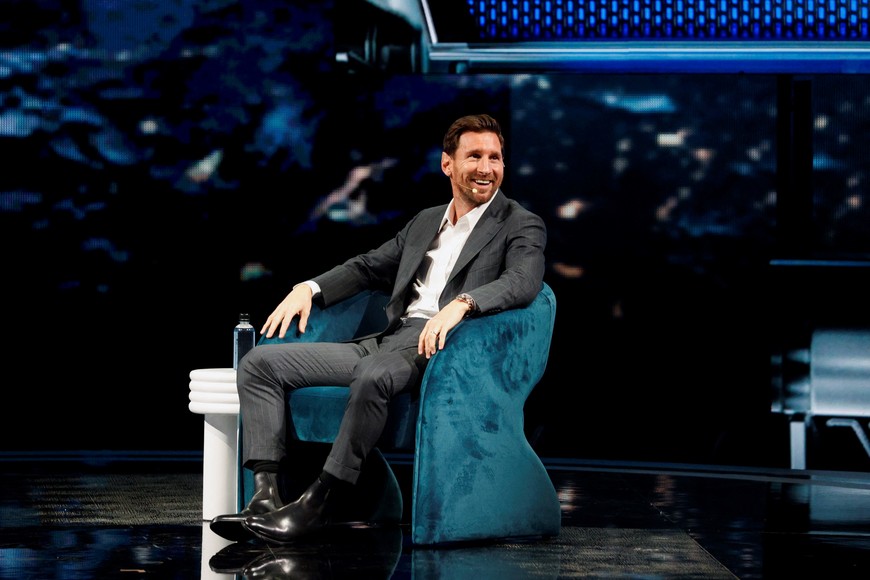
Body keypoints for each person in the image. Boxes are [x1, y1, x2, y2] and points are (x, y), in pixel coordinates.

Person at [210, 113, 547, 545]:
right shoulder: (426, 221)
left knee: (374, 374)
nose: (486, 168)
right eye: (475, 156)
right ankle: (265, 497)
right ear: (447, 164)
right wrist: (309, 288)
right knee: (260, 363)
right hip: (387, 341)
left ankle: (322, 501)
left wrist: (463, 304)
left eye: (495, 157)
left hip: (443, 349)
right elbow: (369, 266)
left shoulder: (519, 222)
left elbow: (523, 281)